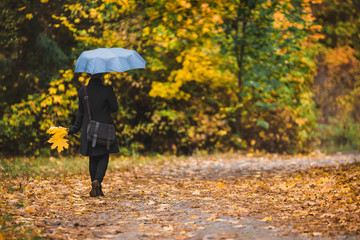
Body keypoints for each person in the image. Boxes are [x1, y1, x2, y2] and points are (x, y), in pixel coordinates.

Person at [68, 73, 119, 197]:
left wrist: (74, 129)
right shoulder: (107, 90)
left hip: (89, 130)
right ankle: (98, 181)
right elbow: (114, 108)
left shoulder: (83, 90)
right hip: (104, 130)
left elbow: (80, 114)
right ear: (102, 76)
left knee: (93, 157)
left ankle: (96, 185)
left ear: (90, 75)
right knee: (103, 156)